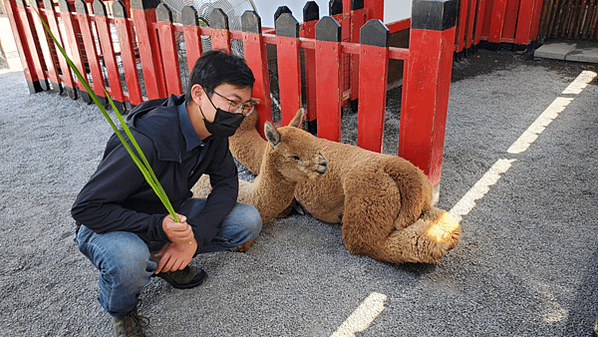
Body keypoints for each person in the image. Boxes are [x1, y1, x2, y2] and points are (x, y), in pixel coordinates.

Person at [71, 50, 262, 337]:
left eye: (245, 105)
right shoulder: (145, 140)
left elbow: (226, 184)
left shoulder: (214, 131)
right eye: (232, 102)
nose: (238, 113)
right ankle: (122, 310)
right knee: (129, 259)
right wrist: (158, 227)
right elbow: (86, 209)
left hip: (168, 214)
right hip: (109, 224)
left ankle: (166, 260)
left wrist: (193, 239)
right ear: (198, 93)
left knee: (248, 221)